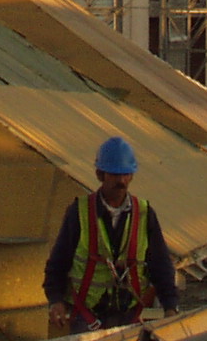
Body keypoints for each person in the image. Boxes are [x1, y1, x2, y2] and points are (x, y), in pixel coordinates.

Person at [43, 136, 180, 333]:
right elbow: (58, 262)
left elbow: (161, 265)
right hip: (87, 315)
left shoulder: (144, 214)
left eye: (126, 174)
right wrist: (55, 300)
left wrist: (170, 307)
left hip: (128, 314)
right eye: (115, 175)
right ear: (100, 175)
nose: (122, 181)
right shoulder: (79, 212)